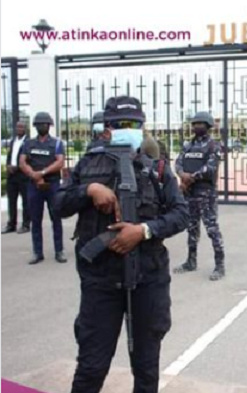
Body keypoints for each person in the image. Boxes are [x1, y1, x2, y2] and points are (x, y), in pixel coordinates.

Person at [54, 96, 189, 392]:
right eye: (120, 125)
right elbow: (58, 203)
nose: (128, 130)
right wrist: (90, 190)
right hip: (101, 282)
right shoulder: (87, 166)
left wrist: (143, 231)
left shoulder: (158, 169)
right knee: (91, 367)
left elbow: (181, 214)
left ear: (143, 128)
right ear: (107, 129)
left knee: (146, 368)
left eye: (134, 125)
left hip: (148, 279)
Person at [173, 111, 226, 280]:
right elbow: (178, 162)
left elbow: (210, 167)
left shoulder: (213, 146)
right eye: (195, 124)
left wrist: (190, 178)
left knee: (212, 229)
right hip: (190, 193)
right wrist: (182, 174)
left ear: (208, 126)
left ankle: (219, 266)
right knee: (191, 228)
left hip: (206, 194)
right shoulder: (188, 146)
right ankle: (191, 261)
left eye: (200, 124)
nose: (197, 126)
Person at [19, 112, 67, 264]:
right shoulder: (28, 144)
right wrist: (33, 174)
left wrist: (43, 172)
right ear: (35, 126)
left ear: (49, 125)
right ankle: (37, 252)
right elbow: (22, 162)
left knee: (56, 218)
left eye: (44, 124)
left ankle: (59, 251)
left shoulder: (57, 143)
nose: (42, 126)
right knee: (35, 219)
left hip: (52, 184)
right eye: (39, 124)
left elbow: (60, 162)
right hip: (34, 185)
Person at [3, 121, 31, 234]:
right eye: (18, 127)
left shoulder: (28, 142)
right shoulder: (13, 141)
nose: (19, 129)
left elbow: (29, 158)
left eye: (21, 127)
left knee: (25, 201)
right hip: (12, 176)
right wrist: (8, 166)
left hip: (23, 175)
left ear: (25, 129)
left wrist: (18, 168)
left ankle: (25, 224)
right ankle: (11, 224)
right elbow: (10, 156)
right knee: (12, 201)